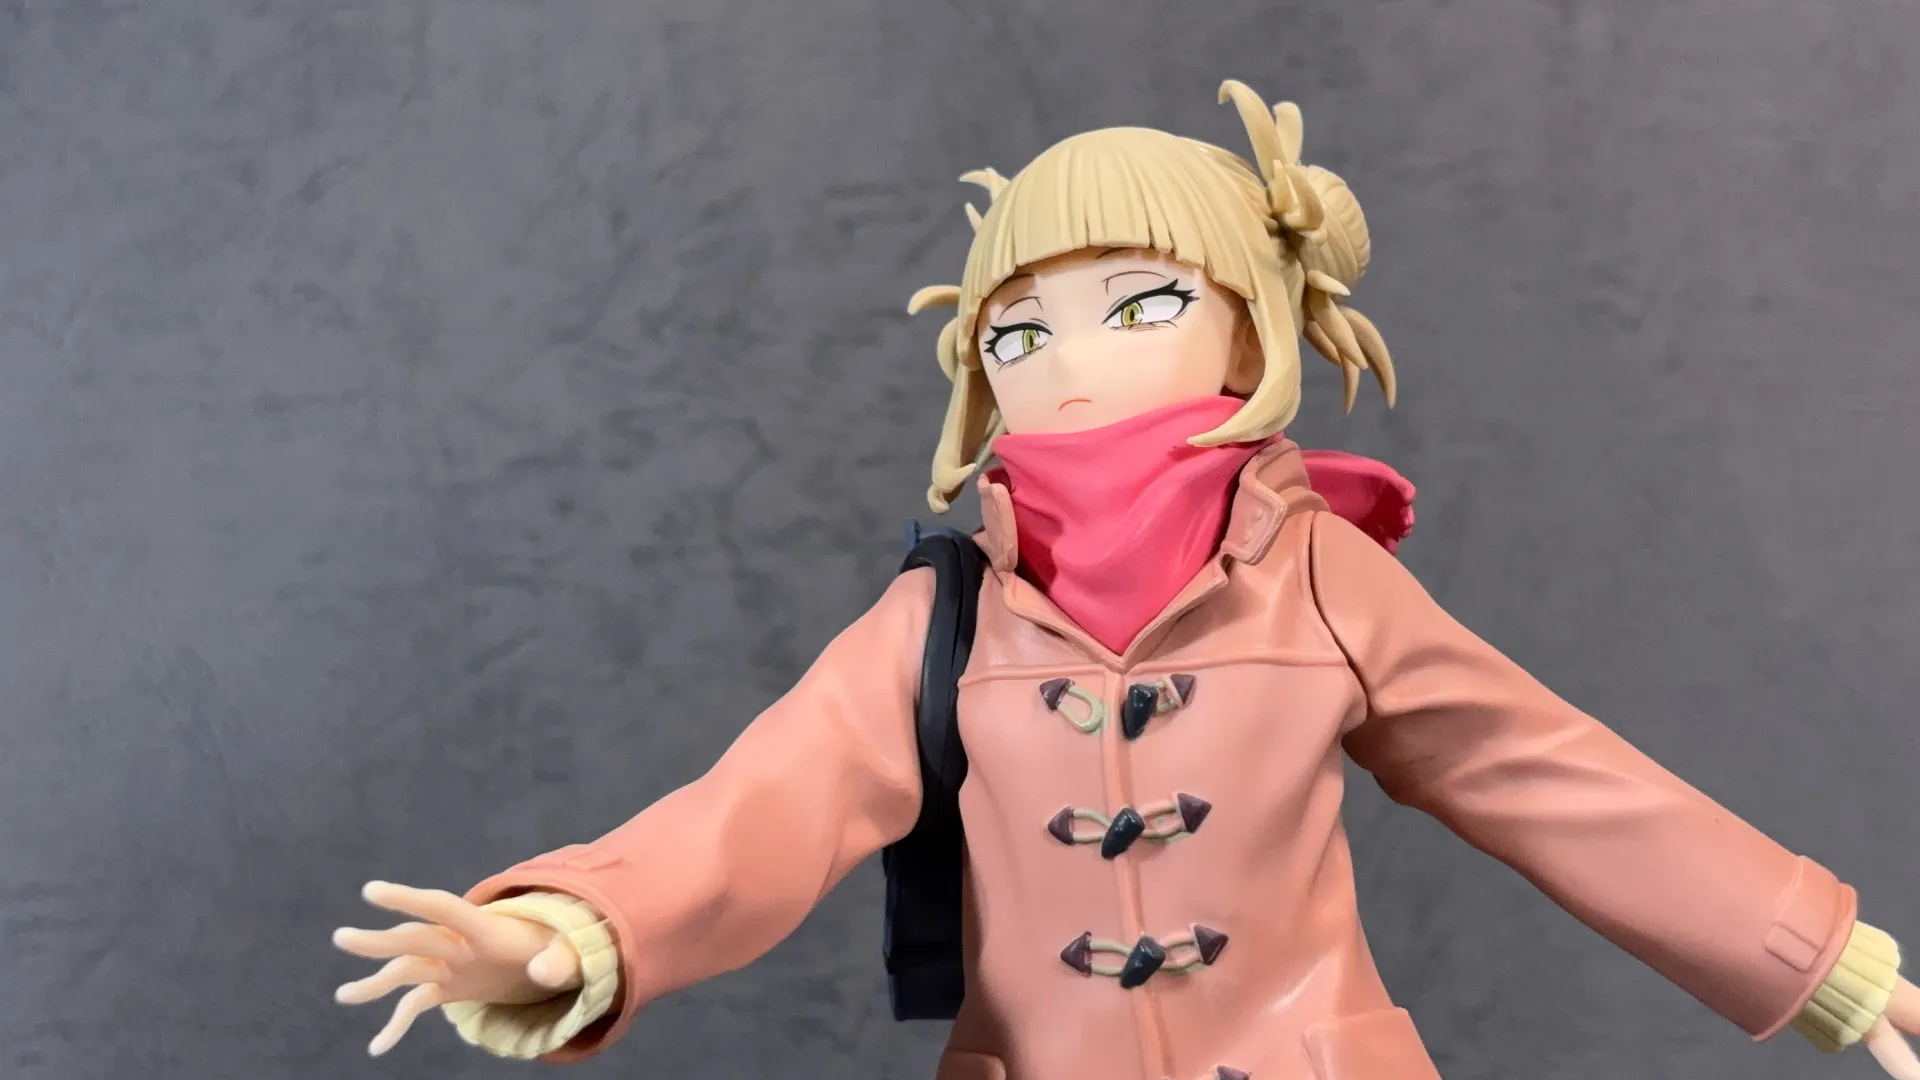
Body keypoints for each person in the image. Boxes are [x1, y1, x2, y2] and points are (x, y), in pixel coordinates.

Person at [332, 79, 1918, 1080]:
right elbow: (769, 801)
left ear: (1248, 322)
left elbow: (1551, 778)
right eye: (1019, 330)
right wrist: (578, 926)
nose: (1069, 357)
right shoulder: (948, 615)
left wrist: (1820, 962)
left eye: (1140, 301)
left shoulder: (1320, 580)